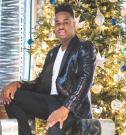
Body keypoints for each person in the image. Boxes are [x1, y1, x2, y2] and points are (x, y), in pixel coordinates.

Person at [1, 3, 96, 135]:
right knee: (11, 97)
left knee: (54, 130)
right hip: (50, 101)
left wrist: (65, 109)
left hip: (72, 107)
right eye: (57, 23)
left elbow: (85, 80)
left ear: (73, 24)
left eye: (66, 22)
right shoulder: (52, 53)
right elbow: (40, 83)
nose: (61, 26)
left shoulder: (84, 47)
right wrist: (18, 84)